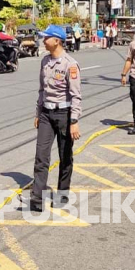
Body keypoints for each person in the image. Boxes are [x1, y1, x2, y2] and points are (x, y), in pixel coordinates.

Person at [22, 25, 81, 212]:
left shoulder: (70, 64)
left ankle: (62, 194)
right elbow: (42, 90)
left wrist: (74, 121)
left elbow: (76, 95)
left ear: (57, 40)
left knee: (65, 156)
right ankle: (37, 199)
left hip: (64, 115)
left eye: (46, 38)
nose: (43, 41)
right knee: (41, 157)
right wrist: (38, 113)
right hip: (46, 114)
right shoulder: (45, 61)